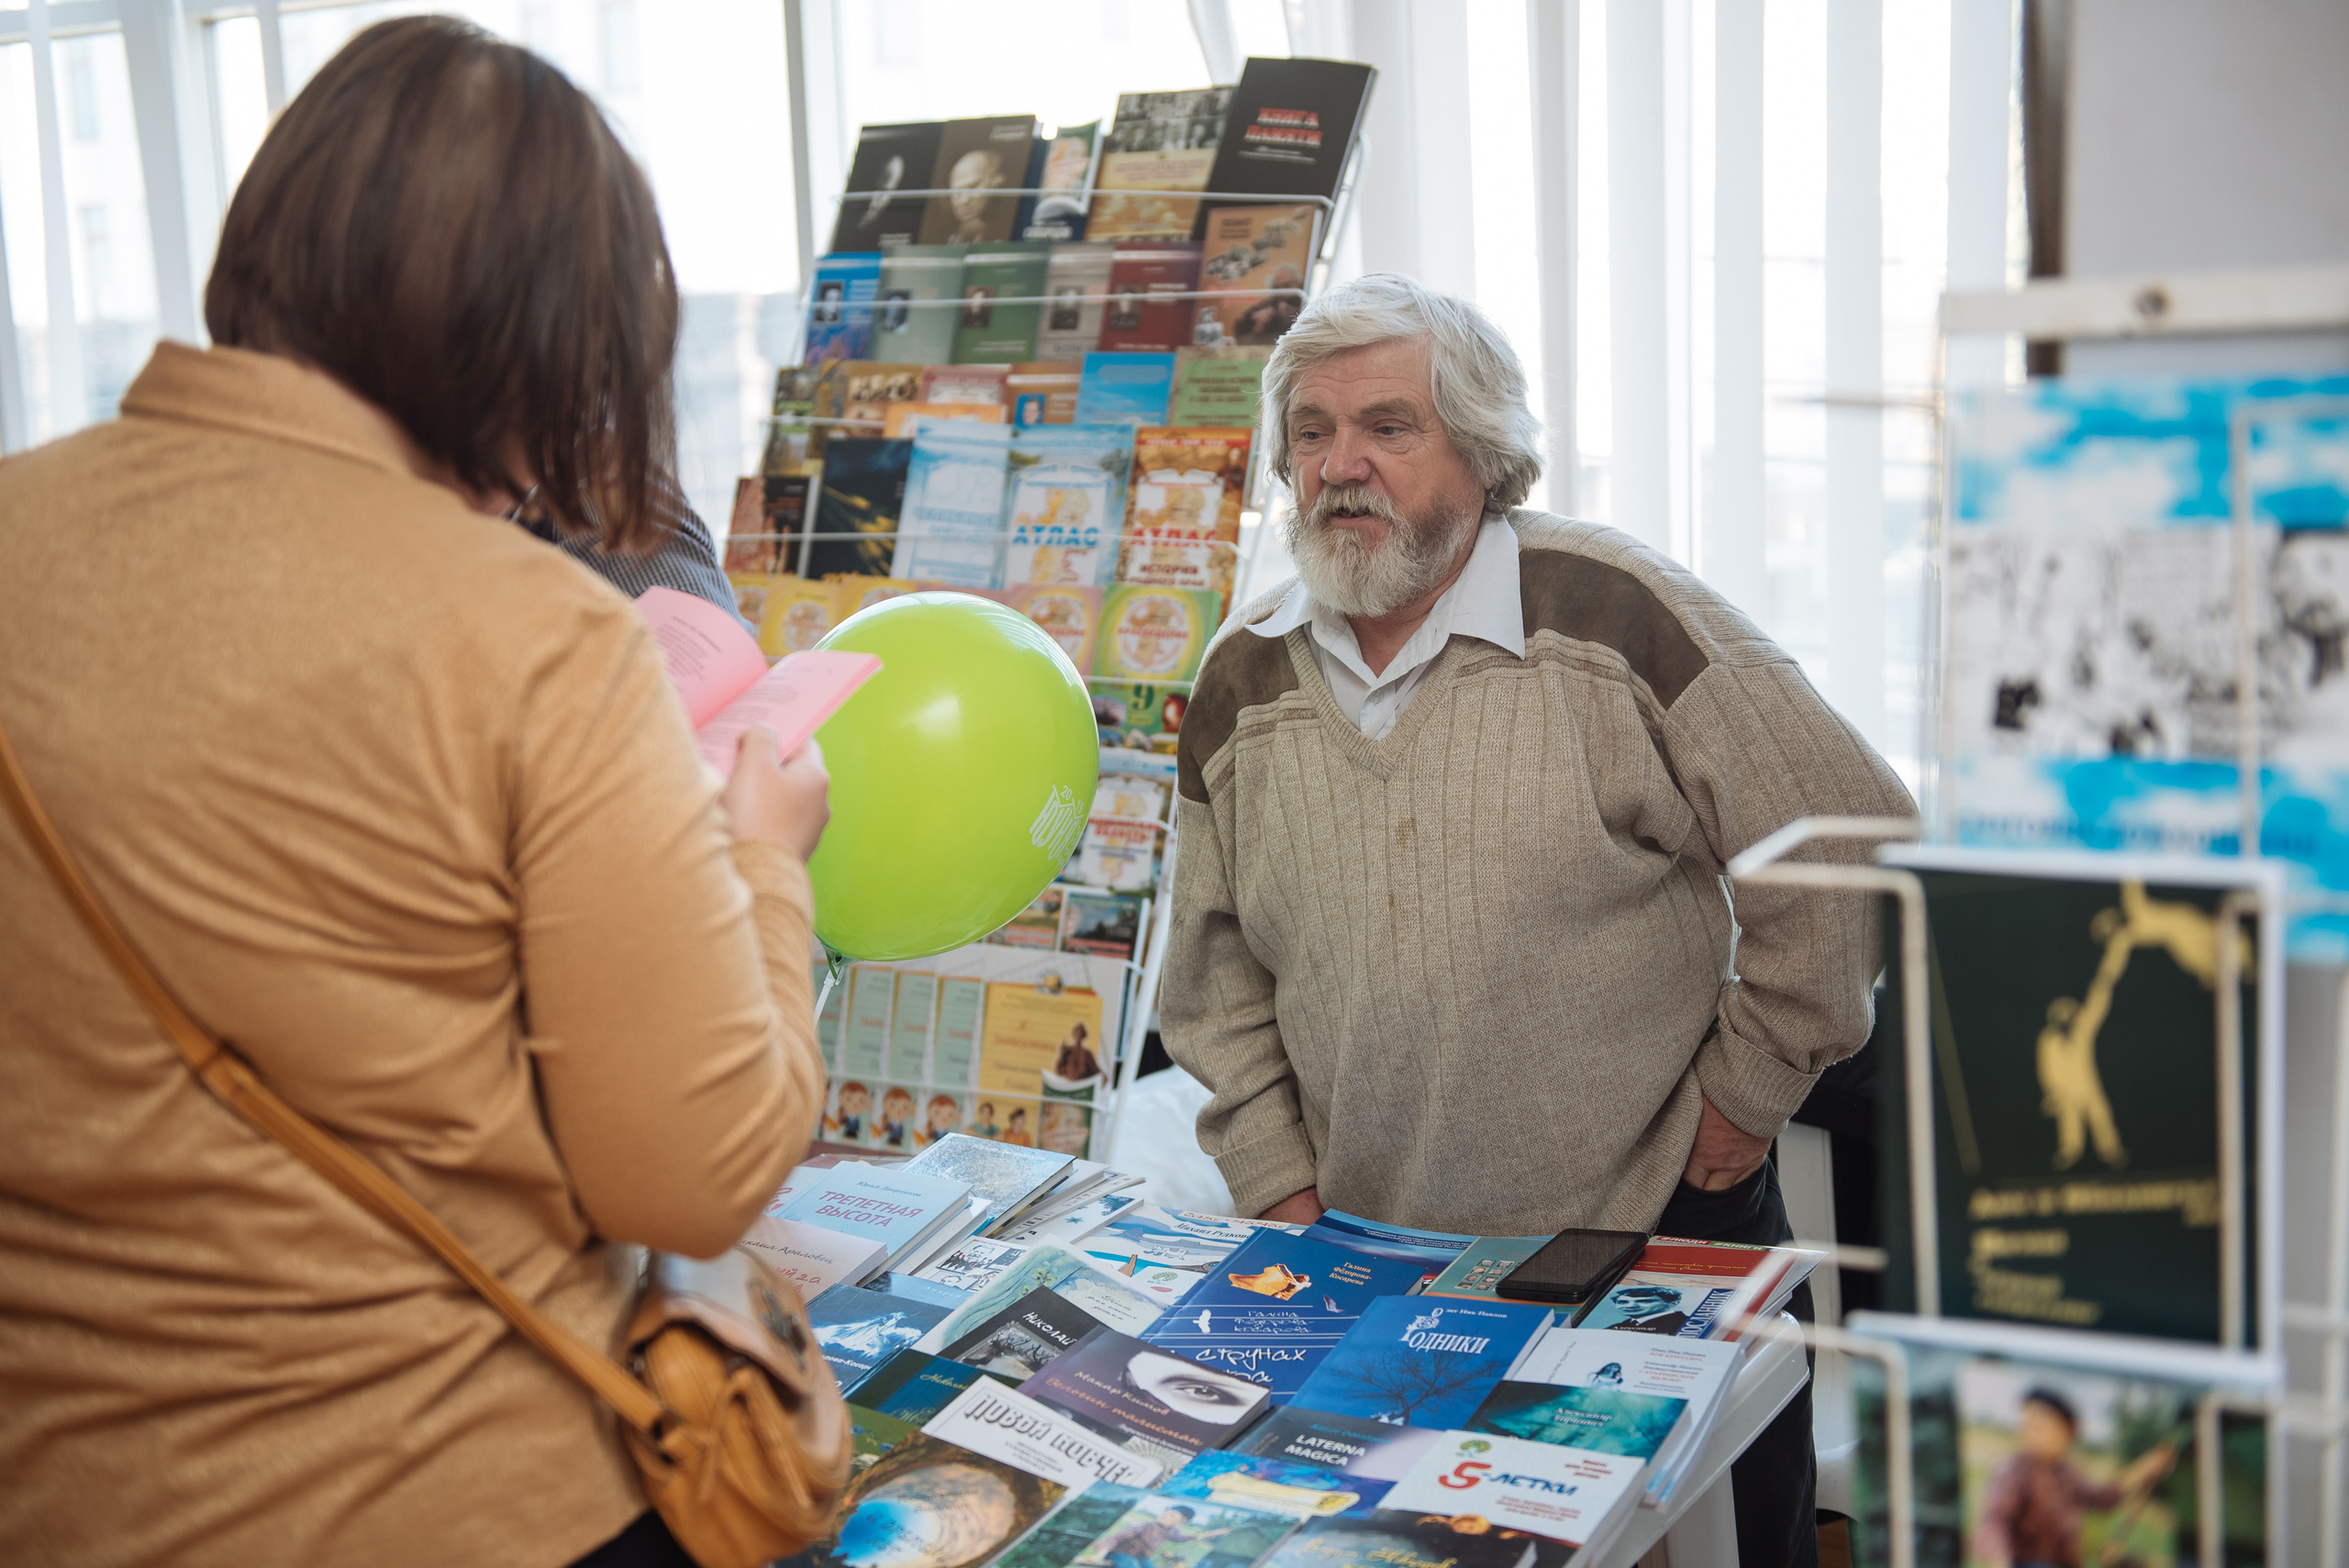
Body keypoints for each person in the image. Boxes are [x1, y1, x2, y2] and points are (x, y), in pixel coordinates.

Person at [0, 20, 829, 1568]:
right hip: (449, 1488)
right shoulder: (529, 631)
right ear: (545, 343)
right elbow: (691, 1172)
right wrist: (764, 864)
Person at [1161, 273, 1915, 1568]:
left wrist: (1742, 1102)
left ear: (1483, 451)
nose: (1340, 464)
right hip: (1376, 1267)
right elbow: (1212, 974)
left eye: (1388, 426)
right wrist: (1276, 1179)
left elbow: (1847, 833)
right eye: (1312, 431)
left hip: (1657, 1231)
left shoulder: (1614, 612)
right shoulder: (1244, 670)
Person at [1973, 1388, 2177, 1568]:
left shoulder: (2068, 1472)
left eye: (2037, 1427)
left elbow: (2103, 1498)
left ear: (2066, 1431)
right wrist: (1999, 1561)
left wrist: (2145, 1468)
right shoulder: (2016, 1471)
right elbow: (1994, 1521)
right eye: (2026, 1425)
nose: (2027, 1434)